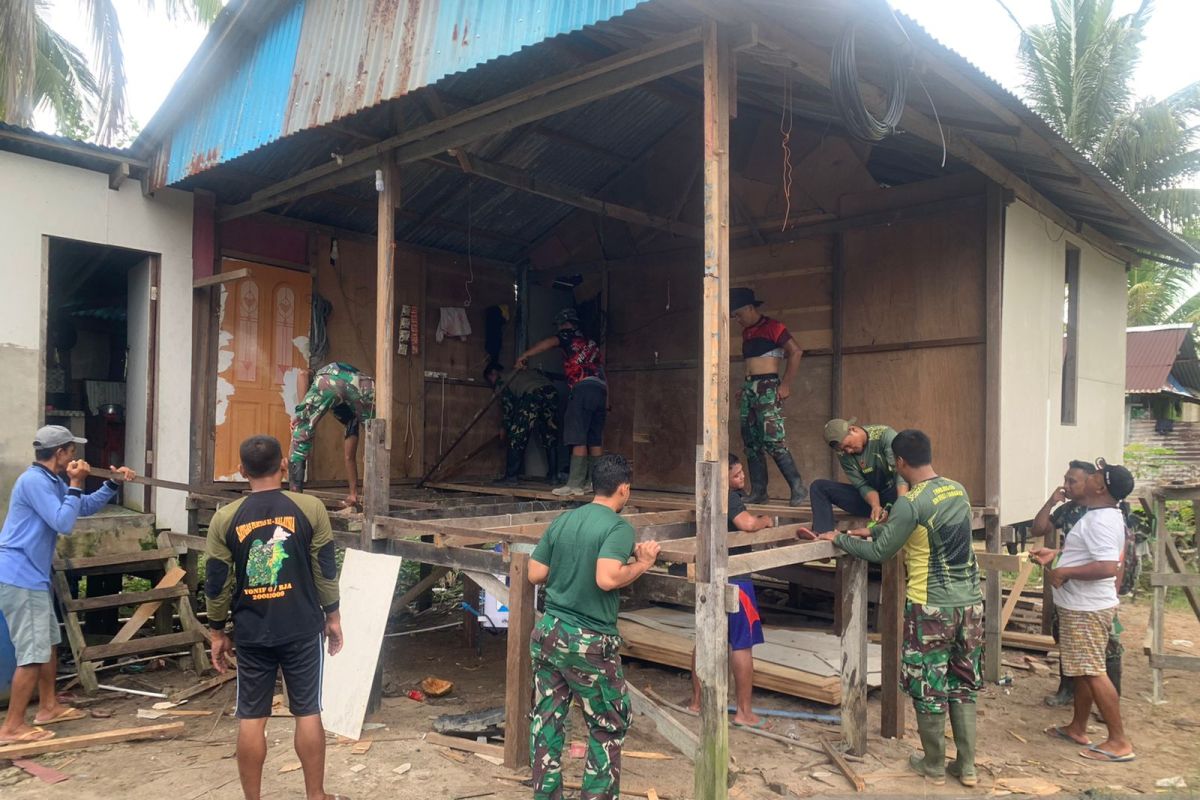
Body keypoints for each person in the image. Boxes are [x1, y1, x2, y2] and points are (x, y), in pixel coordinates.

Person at [802, 429, 982, 787]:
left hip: (931, 607)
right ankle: (967, 767)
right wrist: (871, 529)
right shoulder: (956, 489)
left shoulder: (910, 503)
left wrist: (839, 538)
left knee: (928, 686)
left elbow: (881, 552)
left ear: (899, 463)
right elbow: (907, 531)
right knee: (962, 684)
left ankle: (932, 766)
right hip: (970, 605)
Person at [205, 435, 345, 800]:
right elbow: (325, 569)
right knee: (308, 711)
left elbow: (217, 583)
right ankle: (316, 795)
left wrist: (217, 631)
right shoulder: (310, 508)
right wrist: (333, 616)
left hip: (252, 630)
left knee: (251, 717)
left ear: (241, 471)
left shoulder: (225, 518)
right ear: (284, 465)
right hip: (301, 626)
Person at [527, 454, 660, 800]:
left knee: (547, 720)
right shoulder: (618, 527)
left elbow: (535, 574)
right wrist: (642, 563)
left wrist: (569, 567)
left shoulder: (565, 519)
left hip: (548, 631)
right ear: (624, 489)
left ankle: (545, 795)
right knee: (608, 722)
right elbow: (606, 578)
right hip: (587, 641)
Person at [0, 426, 134, 744]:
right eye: (72, 450)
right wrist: (76, 483)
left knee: (48, 644)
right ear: (60, 452)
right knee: (32, 653)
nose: (75, 456)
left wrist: (111, 484)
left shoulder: (51, 481)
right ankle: (12, 727)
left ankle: (48, 707)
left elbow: (80, 507)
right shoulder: (34, 482)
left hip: (33, 574)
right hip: (20, 575)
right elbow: (63, 523)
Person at [1029, 458, 1135, 763]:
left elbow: (1105, 566)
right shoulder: (1099, 514)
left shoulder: (1101, 520)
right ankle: (1077, 727)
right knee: (1083, 670)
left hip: (1086, 609)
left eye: (1096, 475)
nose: (1088, 477)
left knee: (1092, 672)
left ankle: (1119, 741)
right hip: (1083, 606)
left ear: (1100, 486)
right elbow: (1091, 554)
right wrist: (1058, 555)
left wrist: (1064, 573)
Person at [688, 454, 773, 727]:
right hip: (736, 578)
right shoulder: (730, 497)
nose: (742, 478)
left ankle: (696, 702)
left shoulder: (704, 495)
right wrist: (765, 521)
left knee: (705, 638)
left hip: (709, 576)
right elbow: (746, 524)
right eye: (737, 474)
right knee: (742, 644)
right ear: (724, 476)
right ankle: (744, 712)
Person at [516, 307, 606, 497]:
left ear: (565, 324)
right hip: (600, 390)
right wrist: (608, 399)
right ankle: (594, 483)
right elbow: (602, 371)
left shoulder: (567, 336)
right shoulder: (591, 344)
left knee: (578, 437)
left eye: (559, 325)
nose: (558, 329)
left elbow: (548, 343)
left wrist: (525, 355)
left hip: (581, 389)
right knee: (594, 439)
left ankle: (575, 484)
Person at [730, 287, 806, 506]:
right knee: (751, 441)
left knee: (773, 440)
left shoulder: (773, 327)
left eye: (738, 314)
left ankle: (798, 488)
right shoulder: (746, 332)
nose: (737, 319)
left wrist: (786, 384)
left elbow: (796, 351)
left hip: (768, 386)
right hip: (750, 388)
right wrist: (746, 387)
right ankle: (759, 491)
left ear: (750, 308)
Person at [287, 362, 375, 507]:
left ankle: (295, 502)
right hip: (365, 385)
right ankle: (358, 496)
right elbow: (349, 456)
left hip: (330, 380)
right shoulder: (349, 410)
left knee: (300, 434)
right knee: (376, 438)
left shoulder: (320, 378)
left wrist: (300, 414)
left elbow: (302, 374)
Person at [809, 418, 908, 533]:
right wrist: (875, 506)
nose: (849, 451)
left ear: (853, 430)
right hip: (872, 501)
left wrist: (902, 506)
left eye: (848, 445)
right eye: (844, 449)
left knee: (904, 482)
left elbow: (902, 473)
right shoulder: (843, 453)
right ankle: (823, 533)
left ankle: (898, 508)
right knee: (819, 487)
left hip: (898, 495)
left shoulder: (884, 435)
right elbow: (862, 485)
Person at [483, 361, 560, 485]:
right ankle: (553, 476)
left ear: (493, 374)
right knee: (550, 435)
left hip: (533, 395)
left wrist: (505, 428)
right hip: (551, 393)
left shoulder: (503, 381)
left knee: (516, 436)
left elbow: (508, 409)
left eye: (489, 380)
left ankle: (511, 477)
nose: (491, 383)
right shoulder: (525, 371)